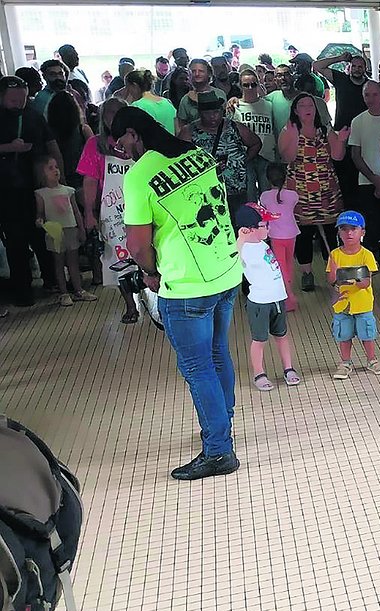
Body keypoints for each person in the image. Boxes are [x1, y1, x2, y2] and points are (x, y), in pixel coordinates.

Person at [112, 106, 243, 481]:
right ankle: (222, 421)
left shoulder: (140, 176)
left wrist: (150, 274)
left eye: (122, 140)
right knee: (218, 352)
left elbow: (137, 246)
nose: (121, 149)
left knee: (197, 366)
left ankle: (219, 451)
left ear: (134, 135)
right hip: (226, 270)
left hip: (186, 285)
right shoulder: (198, 154)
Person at [77, 97, 139, 323]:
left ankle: (154, 298)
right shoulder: (95, 144)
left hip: (142, 206)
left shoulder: (139, 140)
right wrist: (89, 213)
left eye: (119, 112)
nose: (114, 117)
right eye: (109, 113)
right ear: (102, 118)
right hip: (111, 212)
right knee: (119, 258)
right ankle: (130, 305)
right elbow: (90, 181)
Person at [0, 76, 59, 307]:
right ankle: (22, 291)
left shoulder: (33, 115)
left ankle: (51, 281)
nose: (18, 103)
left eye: (22, 99)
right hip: (6, 189)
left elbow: (50, 143)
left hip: (35, 185)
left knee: (40, 233)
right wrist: (9, 148)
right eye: (13, 99)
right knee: (15, 241)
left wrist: (59, 174)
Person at [280, 92, 347, 293]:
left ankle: (332, 272)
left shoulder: (325, 129)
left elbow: (338, 155)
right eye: (302, 105)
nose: (308, 108)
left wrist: (341, 139)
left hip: (326, 188)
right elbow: (287, 157)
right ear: (295, 110)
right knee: (304, 233)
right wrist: (293, 138)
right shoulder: (288, 130)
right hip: (299, 189)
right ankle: (307, 273)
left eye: (311, 105)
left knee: (329, 230)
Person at [235, 204, 299, 391]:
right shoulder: (243, 248)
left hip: (277, 299)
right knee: (260, 339)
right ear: (248, 229)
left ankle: (288, 368)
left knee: (282, 335)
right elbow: (235, 256)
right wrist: (241, 238)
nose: (269, 228)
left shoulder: (262, 244)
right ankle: (259, 373)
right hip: (259, 303)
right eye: (264, 225)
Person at [327, 210, 380, 379]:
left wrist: (350, 279)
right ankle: (345, 362)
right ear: (339, 232)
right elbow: (331, 280)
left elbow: (366, 282)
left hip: (363, 305)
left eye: (353, 229)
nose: (349, 233)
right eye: (344, 229)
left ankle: (372, 360)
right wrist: (334, 273)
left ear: (362, 232)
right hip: (342, 305)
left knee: (367, 334)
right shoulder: (334, 255)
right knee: (344, 335)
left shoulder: (366, 255)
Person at [182, 91, 262, 215]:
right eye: (208, 113)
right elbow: (179, 160)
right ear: (200, 113)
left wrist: (242, 160)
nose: (213, 117)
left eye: (216, 112)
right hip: (205, 193)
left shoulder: (235, 127)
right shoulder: (189, 131)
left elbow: (256, 143)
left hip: (236, 189)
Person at [34, 156, 95, 307]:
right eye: (50, 168)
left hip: (70, 229)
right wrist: (40, 220)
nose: (55, 170)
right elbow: (40, 212)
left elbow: (75, 212)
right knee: (59, 262)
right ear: (42, 174)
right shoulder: (41, 194)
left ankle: (79, 290)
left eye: (56, 167)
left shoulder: (69, 191)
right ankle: (64, 292)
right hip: (54, 233)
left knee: (73, 262)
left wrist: (81, 229)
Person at [348, 80, 380, 259]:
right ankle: (373, 259)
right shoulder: (358, 121)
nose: (371, 98)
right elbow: (355, 155)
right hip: (366, 181)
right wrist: (374, 179)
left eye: (375, 94)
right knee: (370, 223)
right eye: (367, 95)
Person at [258, 163, 300, 311]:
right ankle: (289, 293)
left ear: (268, 179)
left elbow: (264, 214)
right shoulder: (293, 195)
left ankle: (288, 296)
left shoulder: (264, 196)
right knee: (289, 263)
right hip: (291, 233)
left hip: (276, 236)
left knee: (280, 265)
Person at [234, 68, 275, 201]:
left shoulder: (269, 105)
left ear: (258, 84)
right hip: (246, 156)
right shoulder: (234, 107)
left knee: (267, 195)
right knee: (249, 195)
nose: (250, 88)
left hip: (266, 155)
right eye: (246, 85)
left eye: (253, 84)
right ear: (240, 86)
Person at [315, 52, 369, 131]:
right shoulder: (340, 79)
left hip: (363, 130)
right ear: (349, 67)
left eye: (360, 67)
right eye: (353, 66)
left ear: (365, 69)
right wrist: (339, 58)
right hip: (341, 129)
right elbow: (317, 65)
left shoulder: (369, 85)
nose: (357, 69)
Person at [176, 59, 226, 132]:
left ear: (209, 73)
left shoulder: (219, 94)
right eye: (193, 71)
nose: (197, 74)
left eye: (201, 71)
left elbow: (226, 121)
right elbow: (181, 126)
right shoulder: (185, 100)